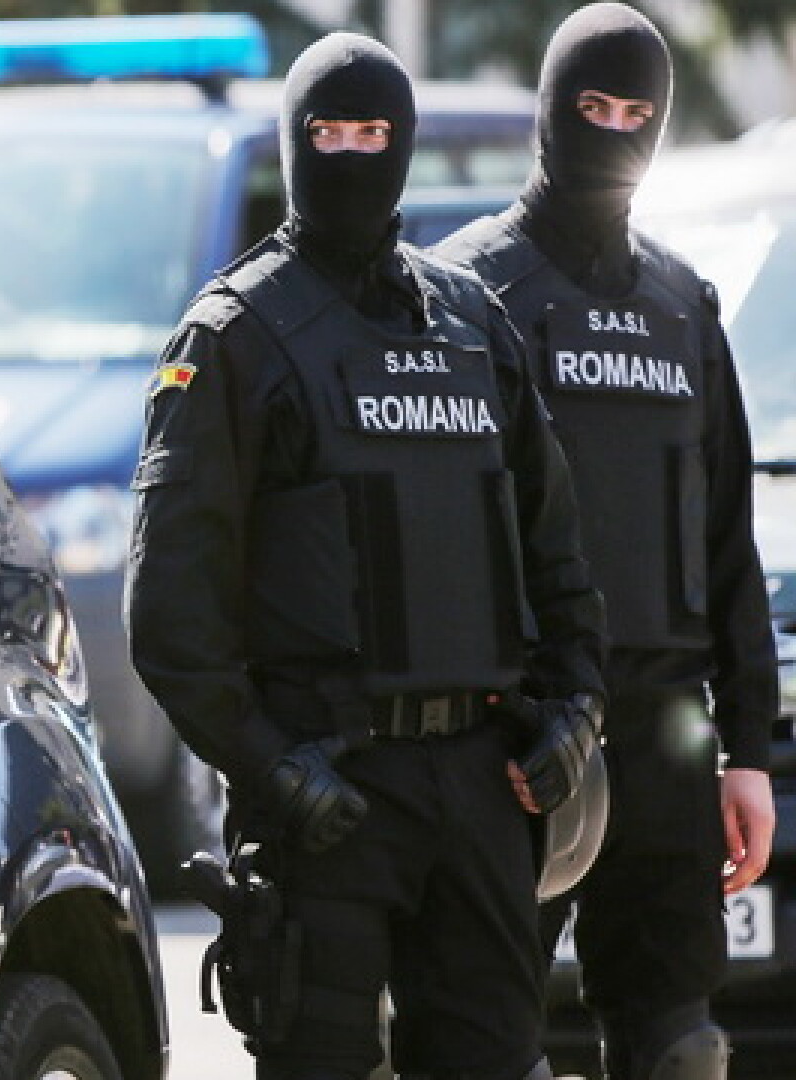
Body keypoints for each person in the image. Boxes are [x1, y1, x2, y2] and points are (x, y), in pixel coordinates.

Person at [125, 32, 608, 1080]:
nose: (350, 154)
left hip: (481, 785)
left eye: (372, 133)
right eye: (328, 133)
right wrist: (268, 765)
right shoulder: (235, 336)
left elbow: (557, 552)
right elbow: (168, 616)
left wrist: (574, 710)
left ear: (405, 143)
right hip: (326, 793)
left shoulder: (472, 324)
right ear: (294, 145)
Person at [434, 6, 778, 1077]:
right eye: (594, 107)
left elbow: (727, 542)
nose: (617, 133)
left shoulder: (684, 306)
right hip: (515, 730)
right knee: (483, 1040)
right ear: (552, 109)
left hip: (668, 734)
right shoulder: (461, 290)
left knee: (680, 1044)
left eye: (639, 114)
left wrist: (747, 753)